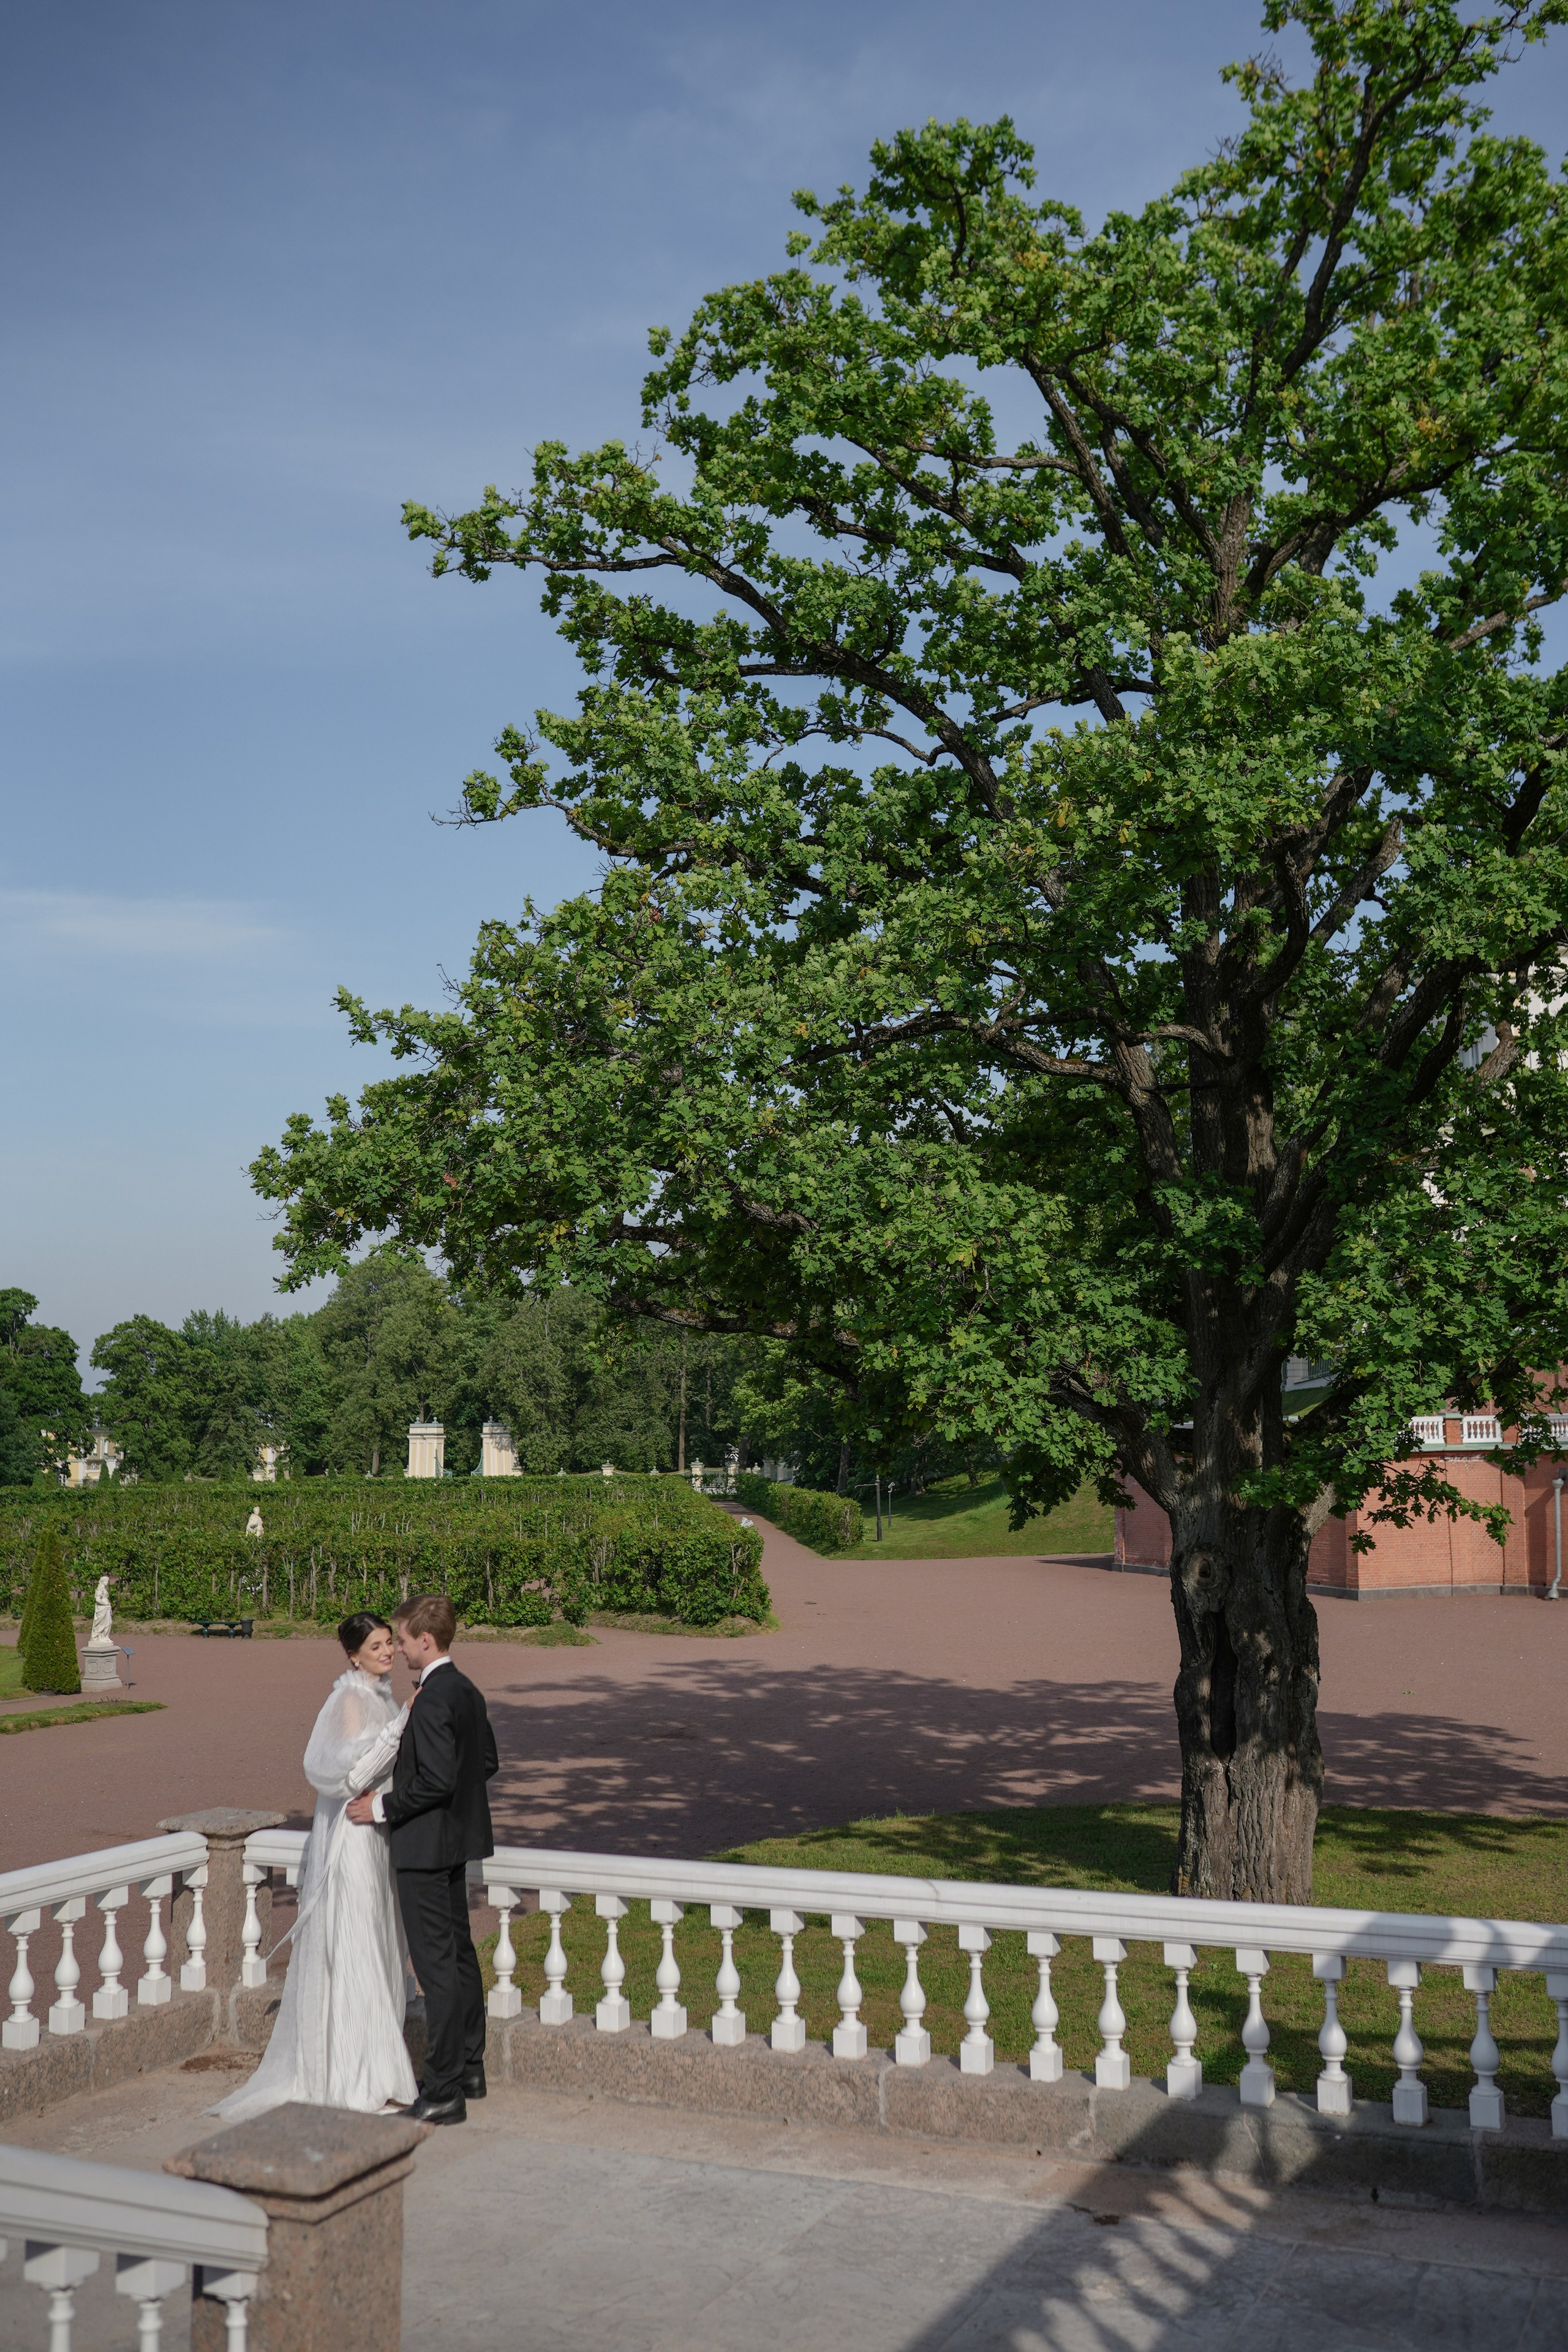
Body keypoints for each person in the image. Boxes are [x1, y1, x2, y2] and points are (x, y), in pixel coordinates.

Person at [213, 1613, 418, 2122]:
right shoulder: (349, 1700)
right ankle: (355, 2079)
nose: (388, 1652)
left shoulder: (381, 1696)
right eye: (376, 1646)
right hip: (351, 1839)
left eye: (389, 1643)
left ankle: (378, 2068)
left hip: (376, 1835)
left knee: (378, 1941)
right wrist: (400, 1729)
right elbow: (349, 1776)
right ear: (353, 1655)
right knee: (355, 1945)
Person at [346, 1593, 499, 2125]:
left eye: (404, 1639)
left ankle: (442, 2090)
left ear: (425, 1639)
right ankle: (471, 2069)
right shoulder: (467, 1691)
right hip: (457, 1843)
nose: (401, 1648)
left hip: (425, 1849)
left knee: (437, 1970)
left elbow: (435, 1779)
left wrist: (381, 1806)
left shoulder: (433, 1699)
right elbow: (486, 1761)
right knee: (459, 1955)